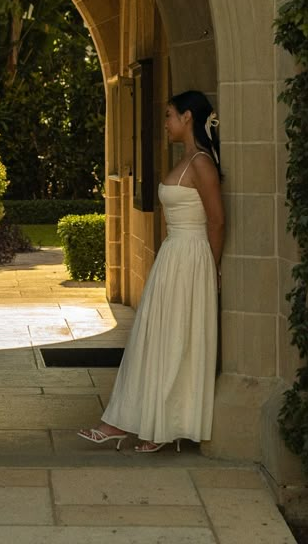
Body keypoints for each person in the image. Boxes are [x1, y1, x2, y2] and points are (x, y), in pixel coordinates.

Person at [78, 89, 224, 452]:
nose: (165, 123)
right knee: (152, 338)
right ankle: (123, 421)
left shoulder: (202, 163)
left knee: (176, 341)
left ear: (188, 118)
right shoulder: (185, 159)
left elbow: (218, 222)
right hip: (172, 258)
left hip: (191, 259)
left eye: (170, 115)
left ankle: (161, 427)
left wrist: (212, 270)